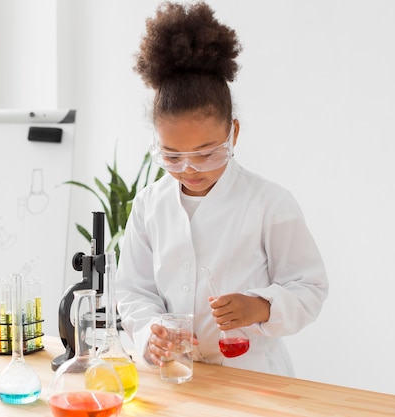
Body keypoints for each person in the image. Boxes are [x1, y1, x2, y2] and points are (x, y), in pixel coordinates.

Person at [115, 1, 328, 376]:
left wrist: (260, 306)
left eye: (206, 153)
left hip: (251, 376)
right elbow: (133, 291)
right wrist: (151, 330)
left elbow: (309, 288)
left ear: (234, 133)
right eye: (172, 155)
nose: (190, 168)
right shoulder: (150, 204)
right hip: (176, 375)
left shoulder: (269, 203)